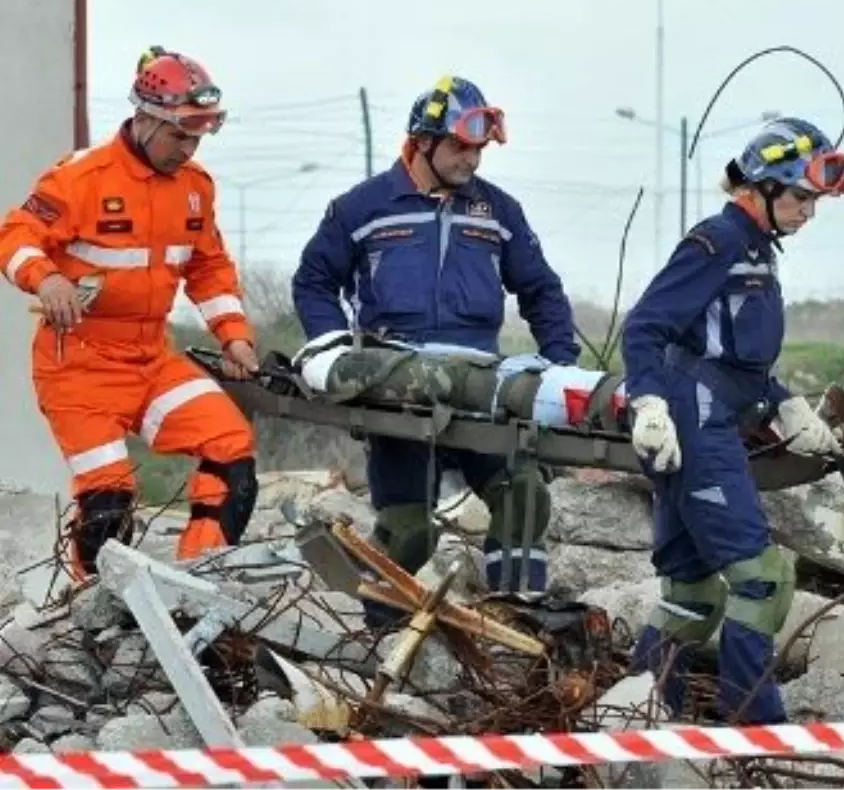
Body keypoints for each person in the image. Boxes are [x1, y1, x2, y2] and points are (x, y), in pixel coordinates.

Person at [291, 75, 579, 601]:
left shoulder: (498, 212)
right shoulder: (362, 208)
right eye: (460, 147)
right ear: (423, 141)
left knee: (525, 496)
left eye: (479, 150)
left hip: (481, 389)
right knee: (410, 533)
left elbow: (541, 290)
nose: (472, 160)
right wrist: (329, 349)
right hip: (396, 387)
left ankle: (514, 620)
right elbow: (313, 280)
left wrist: (559, 364)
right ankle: (376, 637)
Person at [619, 117, 844, 725]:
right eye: (802, 197)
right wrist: (647, 404)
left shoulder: (755, 250)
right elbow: (645, 327)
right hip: (693, 425)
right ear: (765, 188)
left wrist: (783, 403)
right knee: (762, 581)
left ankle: (637, 710)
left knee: (693, 593)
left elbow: (731, 356)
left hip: (719, 415)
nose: (808, 212)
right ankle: (755, 725)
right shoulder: (717, 241)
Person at [0, 46, 261, 579]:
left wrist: (233, 335)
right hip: (78, 367)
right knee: (109, 499)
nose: (187, 149)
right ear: (144, 118)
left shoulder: (195, 189)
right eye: (178, 135)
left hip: (150, 360)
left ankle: (198, 580)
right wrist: (46, 277)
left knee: (232, 448)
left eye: (197, 137)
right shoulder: (81, 178)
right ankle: (91, 606)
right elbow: (15, 236)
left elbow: (208, 269)